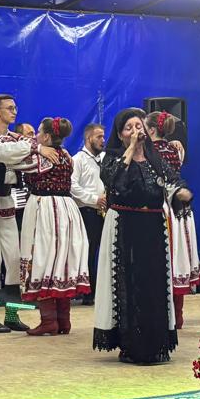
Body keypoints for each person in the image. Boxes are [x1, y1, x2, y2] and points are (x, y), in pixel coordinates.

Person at [94, 108, 184, 364]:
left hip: (152, 225)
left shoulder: (155, 158)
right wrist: (131, 149)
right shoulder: (111, 157)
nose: (135, 131)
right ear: (120, 134)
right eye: (129, 127)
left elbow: (173, 179)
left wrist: (181, 192)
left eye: (138, 126)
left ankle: (155, 341)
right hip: (124, 225)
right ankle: (130, 343)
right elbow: (113, 179)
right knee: (128, 281)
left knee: (153, 282)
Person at [0, 95, 43, 331]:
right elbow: (3, 153)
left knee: (14, 259)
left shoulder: (14, 138)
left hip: (6, 199)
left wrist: (29, 146)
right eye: (10, 108)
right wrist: (32, 145)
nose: (14, 111)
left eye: (15, 107)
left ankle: (12, 315)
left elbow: (23, 154)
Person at [18, 117, 91, 336]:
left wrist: (35, 147)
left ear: (47, 136)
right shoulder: (67, 155)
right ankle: (63, 320)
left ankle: (49, 320)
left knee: (43, 258)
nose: (35, 136)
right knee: (61, 261)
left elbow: (12, 160)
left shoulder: (40, 158)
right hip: (66, 208)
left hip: (45, 208)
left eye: (39, 132)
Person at [146, 111, 199, 330]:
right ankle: (177, 315)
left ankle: (161, 314)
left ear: (151, 130)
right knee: (177, 258)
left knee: (161, 258)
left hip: (161, 207)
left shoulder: (147, 151)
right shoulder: (176, 149)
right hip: (179, 208)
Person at [69, 123, 107, 306]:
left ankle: (103, 290)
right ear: (88, 138)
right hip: (88, 211)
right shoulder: (78, 160)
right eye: (99, 137)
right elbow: (72, 186)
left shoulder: (105, 159)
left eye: (103, 136)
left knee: (105, 252)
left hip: (105, 211)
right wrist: (94, 199)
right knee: (89, 252)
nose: (102, 140)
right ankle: (87, 292)